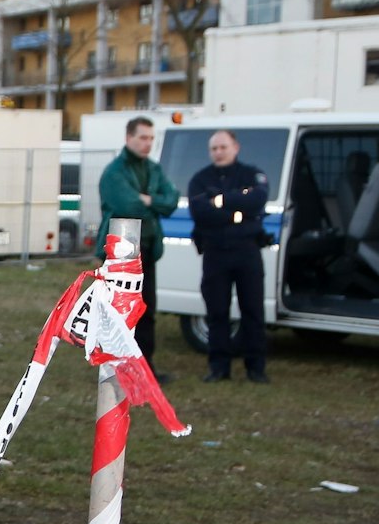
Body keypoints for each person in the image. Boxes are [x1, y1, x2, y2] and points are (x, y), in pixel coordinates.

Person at [97, 115, 177, 380]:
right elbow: (126, 205)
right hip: (121, 251)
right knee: (120, 311)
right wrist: (153, 202)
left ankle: (145, 369)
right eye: (143, 137)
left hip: (147, 249)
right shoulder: (114, 172)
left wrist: (148, 199)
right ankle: (118, 367)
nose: (148, 144)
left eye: (151, 138)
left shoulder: (153, 169)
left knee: (147, 309)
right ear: (128, 138)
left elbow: (172, 200)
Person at [188, 129, 271, 383]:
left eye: (223, 147)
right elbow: (200, 212)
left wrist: (220, 201)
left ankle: (255, 368)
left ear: (236, 147)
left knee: (253, 311)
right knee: (217, 312)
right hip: (215, 253)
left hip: (247, 251)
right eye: (214, 148)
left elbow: (257, 201)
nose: (218, 152)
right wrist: (238, 211)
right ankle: (218, 367)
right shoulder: (200, 179)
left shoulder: (251, 174)